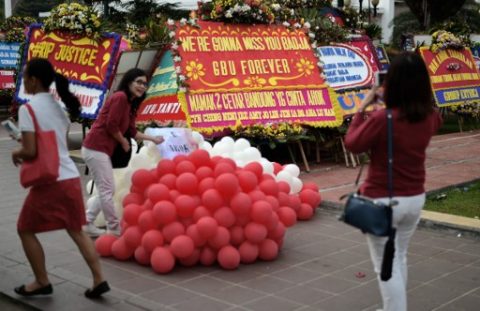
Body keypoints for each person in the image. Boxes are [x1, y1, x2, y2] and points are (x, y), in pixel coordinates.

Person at [344, 52, 443, 311]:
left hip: (383, 202)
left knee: (385, 267)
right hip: (414, 199)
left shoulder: (382, 119)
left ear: (393, 83)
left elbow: (352, 144)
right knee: (398, 256)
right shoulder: (432, 117)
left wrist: (362, 107)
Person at [11, 58, 110, 298]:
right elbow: (56, 144)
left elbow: (32, 150)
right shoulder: (60, 108)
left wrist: (18, 150)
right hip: (70, 177)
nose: (24, 82)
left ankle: (41, 280)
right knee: (76, 229)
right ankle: (99, 279)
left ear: (34, 80)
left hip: (51, 181)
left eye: (25, 77)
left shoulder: (28, 109)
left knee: (24, 228)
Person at [82, 68, 164, 237]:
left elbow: (131, 130)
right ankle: (114, 228)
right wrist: (123, 141)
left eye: (145, 84)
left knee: (106, 189)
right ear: (128, 82)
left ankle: (88, 222)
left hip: (102, 150)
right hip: (95, 147)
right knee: (107, 190)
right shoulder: (120, 97)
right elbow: (111, 125)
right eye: (138, 82)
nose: (142, 86)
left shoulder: (130, 103)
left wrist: (153, 139)